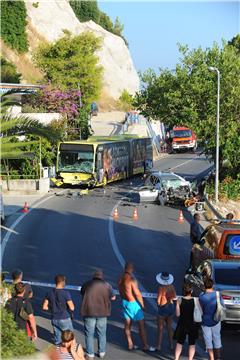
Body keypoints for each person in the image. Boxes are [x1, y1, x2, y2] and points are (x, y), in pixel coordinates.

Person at [118, 262, 155, 352]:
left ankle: (130, 344)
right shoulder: (131, 280)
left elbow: (120, 290)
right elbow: (137, 294)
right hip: (132, 303)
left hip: (124, 302)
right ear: (131, 269)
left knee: (127, 325)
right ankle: (145, 345)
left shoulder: (120, 278)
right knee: (141, 325)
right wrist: (142, 305)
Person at [80, 270, 116, 359]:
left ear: (94, 276)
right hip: (102, 313)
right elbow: (113, 297)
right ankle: (102, 352)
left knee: (89, 333)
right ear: (101, 277)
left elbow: (82, 292)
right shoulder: (107, 285)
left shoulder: (86, 284)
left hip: (89, 312)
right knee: (102, 333)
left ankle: (90, 353)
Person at [42, 275, 74, 345]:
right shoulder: (66, 293)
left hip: (54, 319)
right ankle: (70, 353)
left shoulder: (49, 293)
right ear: (62, 282)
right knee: (70, 338)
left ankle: (59, 352)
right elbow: (72, 307)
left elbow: (44, 307)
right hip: (64, 318)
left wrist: (52, 308)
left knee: (58, 340)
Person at [199, 277, 224, 360]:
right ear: (212, 285)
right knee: (217, 337)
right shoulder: (217, 294)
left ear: (204, 286)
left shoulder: (202, 297)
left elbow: (200, 309)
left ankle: (211, 358)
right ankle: (218, 357)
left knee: (208, 340)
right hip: (216, 320)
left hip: (205, 321)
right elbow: (222, 305)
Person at [174, 283, 200, 360]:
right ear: (191, 291)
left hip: (182, 324)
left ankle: (176, 358)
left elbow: (177, 314)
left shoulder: (179, 300)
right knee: (192, 343)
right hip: (193, 324)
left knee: (179, 342)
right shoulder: (196, 300)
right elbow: (199, 312)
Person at [155, 272, 177, 351]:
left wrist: (158, 304)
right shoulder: (171, 287)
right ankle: (171, 345)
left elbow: (158, 300)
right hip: (170, 307)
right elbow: (174, 297)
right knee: (169, 327)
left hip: (163, 308)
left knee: (160, 328)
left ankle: (159, 346)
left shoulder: (161, 288)